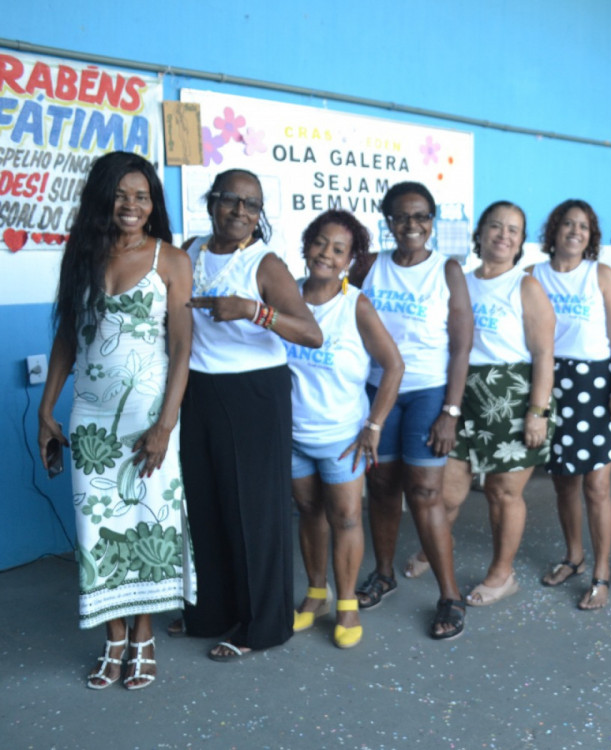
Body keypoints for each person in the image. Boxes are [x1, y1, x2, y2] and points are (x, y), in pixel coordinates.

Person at [38, 152, 193, 689]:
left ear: (153, 206)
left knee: (148, 522)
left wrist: (165, 425)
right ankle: (113, 639)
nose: (132, 205)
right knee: (97, 529)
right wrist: (45, 408)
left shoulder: (169, 260)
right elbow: (66, 337)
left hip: (149, 417)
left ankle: (143, 637)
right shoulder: (81, 255)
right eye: (122, 195)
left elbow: (181, 346)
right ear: (103, 198)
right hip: (91, 419)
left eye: (142, 196)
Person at [180, 168, 323, 661]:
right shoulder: (191, 249)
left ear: (260, 216)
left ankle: (263, 624)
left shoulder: (265, 264)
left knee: (253, 511)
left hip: (253, 393)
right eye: (231, 200)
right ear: (211, 202)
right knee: (206, 504)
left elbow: (310, 332)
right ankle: (213, 611)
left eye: (252, 205)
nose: (241, 212)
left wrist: (251, 309)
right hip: (197, 389)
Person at [350, 181, 469, 638]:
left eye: (421, 216)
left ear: (432, 221)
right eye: (402, 217)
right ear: (389, 222)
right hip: (379, 390)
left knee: (424, 492)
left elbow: (460, 348)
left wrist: (451, 411)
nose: (412, 225)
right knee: (380, 486)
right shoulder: (370, 267)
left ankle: (450, 595)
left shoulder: (447, 270)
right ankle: (383, 575)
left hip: (428, 394)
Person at [430, 201, 555, 615]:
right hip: (461, 396)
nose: (504, 235)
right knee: (445, 492)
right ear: (479, 233)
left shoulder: (526, 286)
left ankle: (502, 575)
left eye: (514, 230)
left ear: (520, 243)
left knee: (503, 494)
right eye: (496, 227)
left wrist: (537, 411)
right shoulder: (459, 282)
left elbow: (543, 354)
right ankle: (434, 553)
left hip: (512, 396)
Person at [288, 211, 403, 649]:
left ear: (351, 259)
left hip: (342, 436)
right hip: (294, 435)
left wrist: (374, 424)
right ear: (306, 245)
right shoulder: (288, 297)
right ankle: (316, 594)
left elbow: (393, 366)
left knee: (347, 516)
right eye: (320, 243)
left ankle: (348, 602)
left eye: (338, 249)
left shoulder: (356, 305)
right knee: (308, 511)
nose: (326, 254)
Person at [532, 199, 611, 610]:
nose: (575, 231)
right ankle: (574, 556)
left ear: (591, 237)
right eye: (568, 224)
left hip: (595, 383)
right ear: (553, 231)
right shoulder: (532, 277)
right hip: (551, 382)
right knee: (563, 483)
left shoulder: (600, 274)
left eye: (584, 227)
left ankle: (601, 573)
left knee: (597, 486)